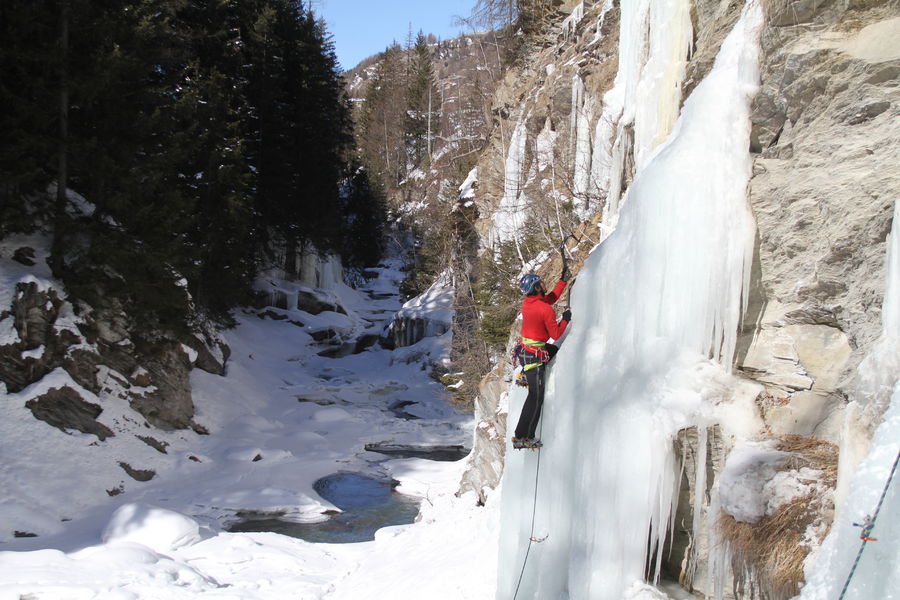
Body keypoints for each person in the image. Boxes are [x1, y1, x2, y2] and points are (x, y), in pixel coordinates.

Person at [512, 268, 571, 449]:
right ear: (537, 288)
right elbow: (556, 333)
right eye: (541, 283)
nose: (544, 284)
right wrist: (565, 319)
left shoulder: (529, 302)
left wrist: (562, 281)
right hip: (534, 358)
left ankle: (523, 375)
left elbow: (550, 298)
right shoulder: (544, 309)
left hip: (526, 352)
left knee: (553, 349)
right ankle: (523, 436)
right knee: (535, 398)